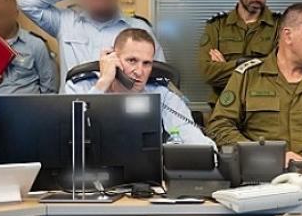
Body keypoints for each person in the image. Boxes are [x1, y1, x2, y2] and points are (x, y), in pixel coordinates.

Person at [207, 3, 302, 178]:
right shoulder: (248, 76)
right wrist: (267, 157)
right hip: (260, 180)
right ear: (288, 36)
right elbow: (219, 126)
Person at [65, 28, 213, 145]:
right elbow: (68, 134)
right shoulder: (81, 87)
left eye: (146, 63)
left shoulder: (162, 95)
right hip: (89, 170)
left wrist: (211, 154)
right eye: (132, 60)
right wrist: (103, 83)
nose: (139, 71)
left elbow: (189, 133)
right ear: (113, 59)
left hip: (146, 172)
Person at [18, 0, 164, 83]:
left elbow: (160, 77)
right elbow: (26, 2)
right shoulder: (65, 22)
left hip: (119, 107)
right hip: (72, 106)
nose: (99, 4)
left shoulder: (139, 29)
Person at [199, 0, 281, 107]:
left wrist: (228, 66)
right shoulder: (216, 26)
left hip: (262, 110)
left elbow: (280, 73)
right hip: (222, 108)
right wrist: (259, 65)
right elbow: (208, 73)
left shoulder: (279, 26)